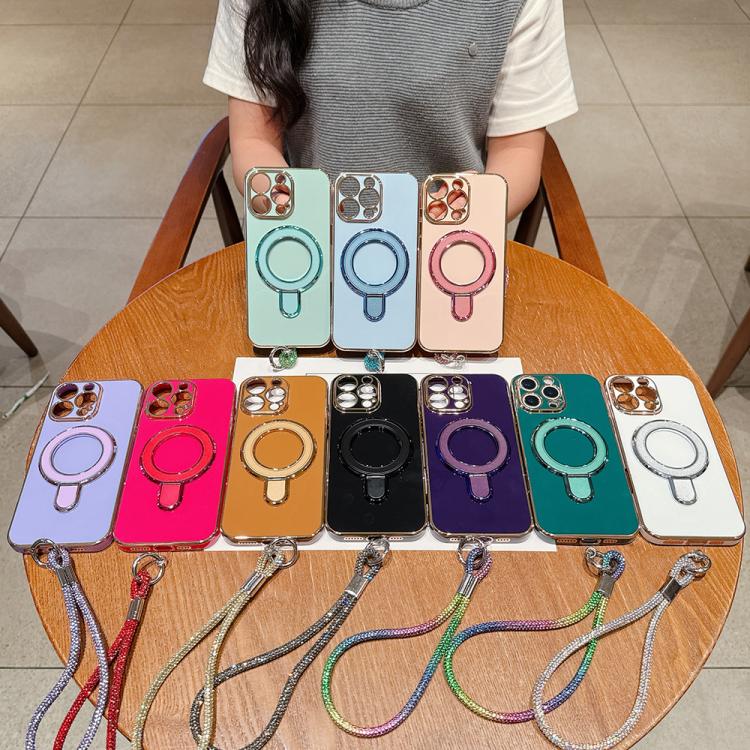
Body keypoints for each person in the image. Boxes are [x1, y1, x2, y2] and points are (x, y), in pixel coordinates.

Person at [204, 0, 577, 220]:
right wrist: (299, 213)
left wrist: (455, 216)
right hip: (308, 245)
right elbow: (254, 139)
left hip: (451, 248)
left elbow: (517, 152)